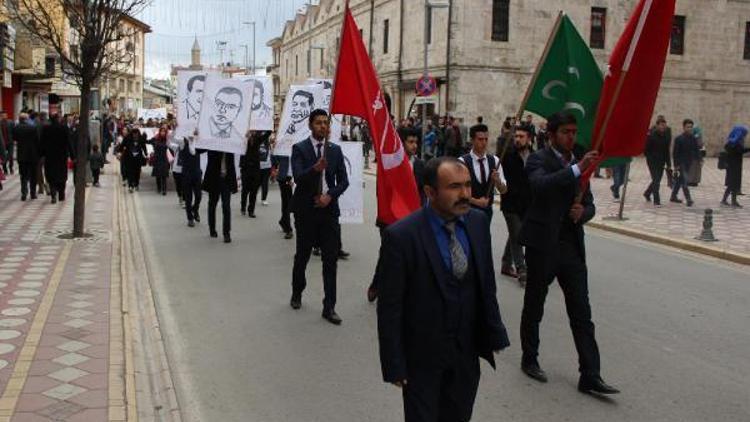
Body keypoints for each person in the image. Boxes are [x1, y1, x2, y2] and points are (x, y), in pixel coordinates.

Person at [376, 156, 510, 421]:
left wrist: (494, 331)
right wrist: (394, 364)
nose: (465, 194)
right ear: (430, 192)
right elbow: (390, 307)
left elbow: (485, 283)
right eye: (454, 187)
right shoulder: (402, 236)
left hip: (465, 354)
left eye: (468, 185)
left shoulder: (478, 223)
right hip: (422, 359)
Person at [518, 111, 619, 395]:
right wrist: (576, 170)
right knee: (535, 304)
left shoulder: (578, 163)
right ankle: (530, 358)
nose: (571, 137)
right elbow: (540, 186)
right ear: (551, 135)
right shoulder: (539, 159)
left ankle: (590, 373)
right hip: (542, 246)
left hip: (571, 247)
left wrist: (582, 213)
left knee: (581, 312)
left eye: (574, 132)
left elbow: (590, 203)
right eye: (565, 132)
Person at [289, 109, 349, 325]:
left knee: (330, 260)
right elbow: (298, 177)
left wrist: (329, 196)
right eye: (319, 123)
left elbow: (343, 181)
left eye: (326, 123)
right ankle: (297, 292)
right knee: (302, 255)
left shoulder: (334, 150)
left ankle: (329, 306)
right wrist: (315, 169)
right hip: (306, 211)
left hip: (328, 212)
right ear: (310, 125)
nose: (323, 126)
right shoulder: (299, 149)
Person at [366, 128, 426, 303]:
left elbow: (423, 192)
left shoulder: (421, 165)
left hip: (413, 219)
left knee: (411, 256)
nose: (414, 146)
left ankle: (406, 291)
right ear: (402, 142)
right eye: (410, 142)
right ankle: (377, 284)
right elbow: (383, 192)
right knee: (387, 254)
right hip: (391, 219)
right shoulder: (390, 163)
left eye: (416, 142)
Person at [500, 125, 533, 285]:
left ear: (529, 139)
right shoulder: (507, 155)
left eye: (521, 136)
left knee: (514, 234)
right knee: (518, 235)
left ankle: (506, 264)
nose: (518, 139)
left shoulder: (534, 157)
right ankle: (522, 269)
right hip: (510, 204)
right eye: (516, 136)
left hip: (526, 204)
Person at [458, 124, 507, 220]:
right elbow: (457, 192)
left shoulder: (495, 161)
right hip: (467, 211)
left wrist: (497, 181)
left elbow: (504, 190)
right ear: (472, 140)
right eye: (480, 139)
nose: (484, 143)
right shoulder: (462, 162)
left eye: (486, 139)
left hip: (487, 213)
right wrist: (476, 202)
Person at [200, 142, 237, 243]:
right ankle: (212, 228)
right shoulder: (212, 143)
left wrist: (246, 136)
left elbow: (243, 147)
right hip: (214, 179)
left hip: (226, 179)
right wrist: (194, 138)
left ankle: (226, 233)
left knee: (226, 206)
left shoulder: (231, 143)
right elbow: (199, 149)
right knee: (212, 204)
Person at [41, 114, 73, 202]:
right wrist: (72, 155)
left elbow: (42, 143)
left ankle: (53, 194)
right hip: (62, 156)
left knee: (51, 176)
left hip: (50, 156)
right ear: (58, 119)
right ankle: (61, 194)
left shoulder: (46, 129)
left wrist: (41, 154)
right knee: (62, 176)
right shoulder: (64, 128)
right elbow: (69, 142)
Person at [670, 119, 699, 207]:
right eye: (688, 127)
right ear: (683, 127)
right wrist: (676, 165)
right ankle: (688, 198)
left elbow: (696, 150)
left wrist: (699, 159)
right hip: (681, 163)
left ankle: (673, 196)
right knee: (685, 180)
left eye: (691, 127)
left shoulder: (693, 138)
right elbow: (675, 153)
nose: (689, 129)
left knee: (680, 180)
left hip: (688, 163)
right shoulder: (679, 139)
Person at [643, 117, 672, 206]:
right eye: (661, 125)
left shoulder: (666, 137)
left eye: (664, 125)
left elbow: (667, 151)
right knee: (656, 179)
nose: (663, 127)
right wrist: (650, 157)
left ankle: (647, 193)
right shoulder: (652, 136)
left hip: (661, 161)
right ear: (657, 126)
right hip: (652, 161)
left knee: (657, 180)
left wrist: (669, 164)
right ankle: (657, 200)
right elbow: (646, 149)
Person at [14, 113, 41, 201]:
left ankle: (24, 193)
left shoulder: (16, 128)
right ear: (27, 119)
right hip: (33, 155)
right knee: (33, 175)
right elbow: (37, 141)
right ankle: (33, 193)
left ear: (20, 119)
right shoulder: (33, 128)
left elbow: (15, 138)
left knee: (23, 175)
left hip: (21, 155)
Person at [721, 125, 749, 208]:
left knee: (733, 184)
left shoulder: (732, 142)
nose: (744, 136)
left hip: (734, 165)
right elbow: (739, 151)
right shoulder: (734, 143)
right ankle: (728, 200)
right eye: (744, 134)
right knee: (732, 184)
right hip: (733, 166)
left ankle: (729, 200)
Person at [179, 136, 203, 227]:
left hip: (197, 174)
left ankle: (195, 209)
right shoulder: (182, 144)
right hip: (186, 175)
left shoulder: (198, 145)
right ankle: (190, 218)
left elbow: (208, 145)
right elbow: (172, 138)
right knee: (188, 199)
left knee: (198, 196)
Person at [240, 131, 264, 218]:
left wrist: (268, 123)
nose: (252, 132)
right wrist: (245, 137)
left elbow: (267, 133)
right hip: (245, 168)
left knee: (254, 191)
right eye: (251, 130)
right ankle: (243, 207)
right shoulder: (243, 138)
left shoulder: (258, 138)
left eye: (254, 130)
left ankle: (251, 210)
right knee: (245, 190)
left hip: (255, 169)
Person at [119, 128, 147, 193]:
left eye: (136, 134)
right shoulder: (127, 138)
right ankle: (130, 186)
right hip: (129, 158)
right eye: (134, 134)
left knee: (137, 172)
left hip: (138, 159)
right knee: (130, 173)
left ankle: (136, 184)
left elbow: (144, 147)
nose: (135, 136)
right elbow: (122, 145)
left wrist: (146, 154)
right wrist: (119, 152)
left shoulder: (141, 139)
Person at [150, 127, 171, 195]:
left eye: (164, 132)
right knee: (158, 175)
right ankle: (159, 188)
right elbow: (148, 141)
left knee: (164, 175)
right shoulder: (156, 139)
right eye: (161, 131)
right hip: (157, 159)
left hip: (164, 159)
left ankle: (164, 190)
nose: (163, 133)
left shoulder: (167, 140)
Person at [1, 111, 14, 175]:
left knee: (11, 156)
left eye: (5, 115)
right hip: (2, 143)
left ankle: (11, 168)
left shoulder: (11, 122)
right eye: (3, 115)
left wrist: (14, 139)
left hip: (10, 142)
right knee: (3, 156)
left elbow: (14, 131)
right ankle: (5, 169)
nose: (4, 116)